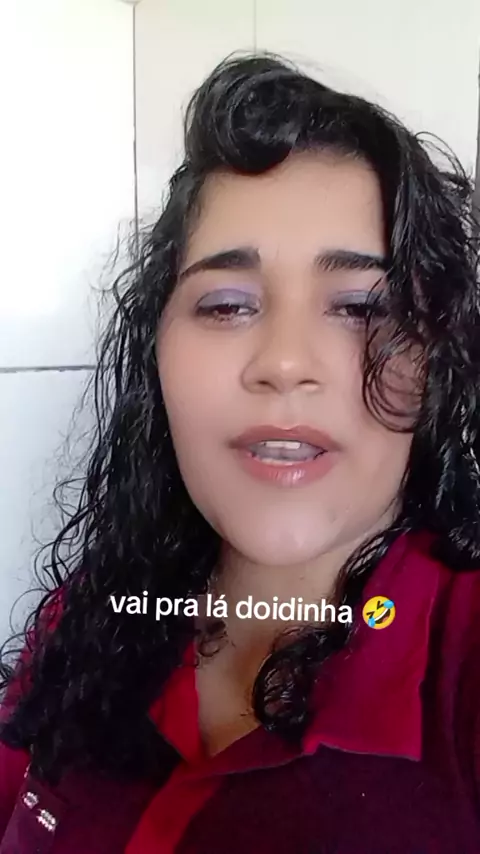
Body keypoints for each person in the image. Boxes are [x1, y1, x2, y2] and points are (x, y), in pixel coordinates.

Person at [0, 49, 479, 853]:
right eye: (226, 305)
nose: (284, 362)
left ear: (435, 359)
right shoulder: (91, 617)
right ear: (156, 350)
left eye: (361, 308)